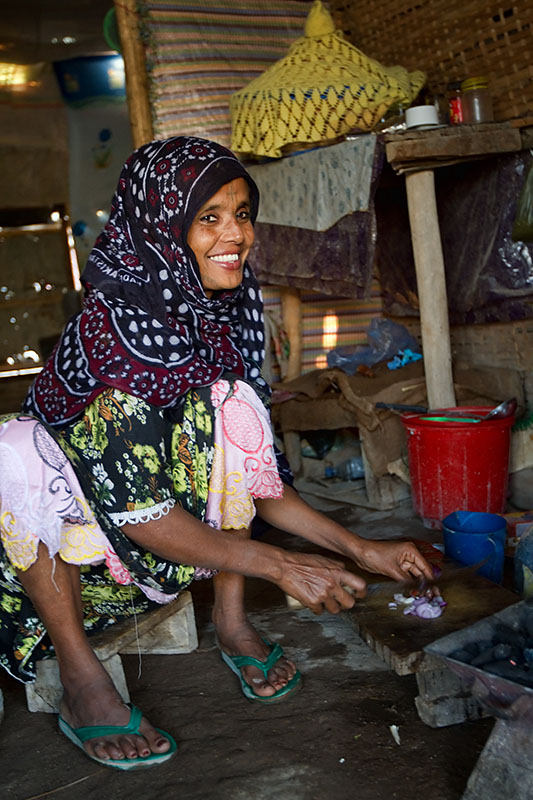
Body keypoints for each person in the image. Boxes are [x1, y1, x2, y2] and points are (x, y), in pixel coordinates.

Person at [0, 136, 434, 770]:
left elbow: (256, 476)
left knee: (233, 404)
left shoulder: (223, 306)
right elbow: (140, 514)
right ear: (160, 224)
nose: (236, 234)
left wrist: (359, 548)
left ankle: (231, 623)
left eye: (242, 214)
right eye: (209, 218)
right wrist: (284, 569)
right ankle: (80, 675)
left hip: (178, 550)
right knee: (12, 449)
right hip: (80, 561)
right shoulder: (113, 327)